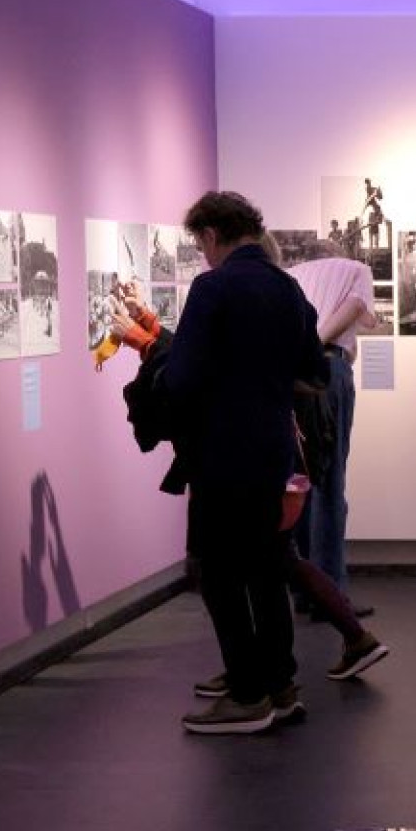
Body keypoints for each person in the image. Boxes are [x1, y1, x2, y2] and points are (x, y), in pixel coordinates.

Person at [147, 193, 326, 735]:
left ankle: (247, 695)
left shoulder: (213, 288)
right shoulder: (287, 288)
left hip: (222, 453)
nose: (201, 253)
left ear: (209, 234)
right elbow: (313, 373)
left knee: (219, 574)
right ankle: (281, 686)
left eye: (199, 242)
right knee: (269, 570)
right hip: (273, 450)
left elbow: (181, 377)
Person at [277, 233, 378, 615]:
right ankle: (330, 595)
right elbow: (353, 311)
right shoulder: (357, 268)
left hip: (291, 377)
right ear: (337, 254)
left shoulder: (291, 275)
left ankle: (304, 589)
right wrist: (315, 350)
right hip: (326, 370)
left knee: (299, 480)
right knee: (330, 481)